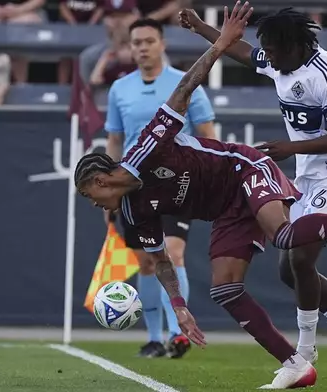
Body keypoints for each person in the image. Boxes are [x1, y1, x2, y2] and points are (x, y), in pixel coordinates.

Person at [75, 2, 327, 388]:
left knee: (290, 242)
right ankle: (309, 358)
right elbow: (159, 261)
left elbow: (186, 87)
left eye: (89, 194)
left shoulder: (145, 147)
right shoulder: (132, 213)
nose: (92, 203)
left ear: (102, 180)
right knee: (242, 282)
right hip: (235, 205)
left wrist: (218, 45)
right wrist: (180, 308)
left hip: (253, 170)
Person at [179, 5, 327, 386]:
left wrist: (289, 149)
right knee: (288, 269)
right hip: (306, 178)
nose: (269, 57)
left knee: (301, 255)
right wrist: (200, 29)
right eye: (268, 51)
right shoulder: (282, 61)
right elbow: (243, 53)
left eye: (274, 50)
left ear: (293, 45)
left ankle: (305, 353)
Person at [104, 17, 216, 359]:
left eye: (148, 41)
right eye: (136, 42)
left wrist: (205, 177)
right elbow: (114, 140)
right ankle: (154, 337)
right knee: (148, 263)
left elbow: (207, 134)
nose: (142, 48)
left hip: (176, 184)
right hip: (133, 190)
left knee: (174, 252)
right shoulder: (119, 89)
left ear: (162, 44)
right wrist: (111, 188)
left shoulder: (184, 83)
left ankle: (177, 334)